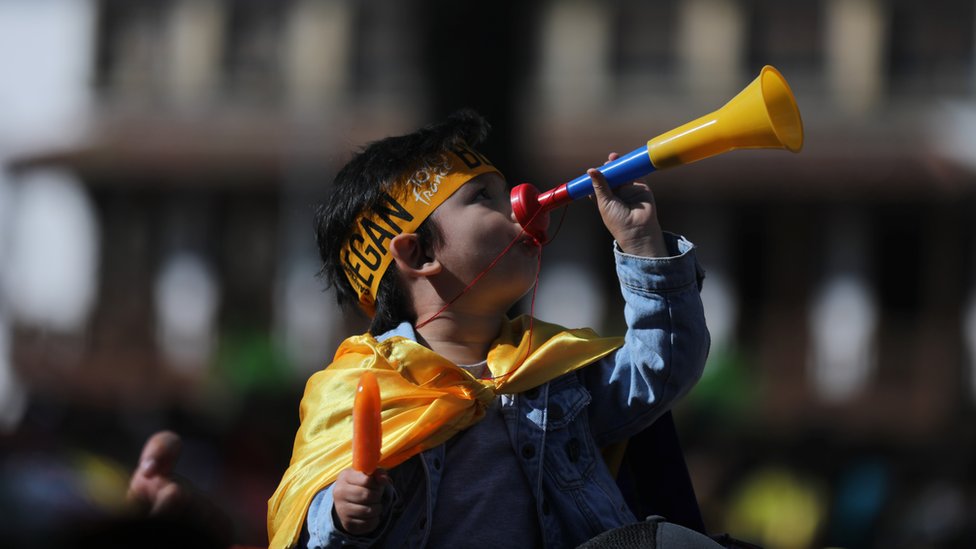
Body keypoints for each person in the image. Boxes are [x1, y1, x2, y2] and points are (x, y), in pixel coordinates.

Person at [129, 109, 712, 548]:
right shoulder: (360, 385)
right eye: (484, 197)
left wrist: (641, 244)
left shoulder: (552, 368)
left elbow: (663, 368)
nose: (519, 204)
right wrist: (342, 512)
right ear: (415, 254)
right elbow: (309, 506)